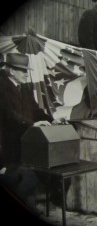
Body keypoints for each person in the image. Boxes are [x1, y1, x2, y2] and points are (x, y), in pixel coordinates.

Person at [0, 53, 62, 214]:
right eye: (23, 70)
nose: (27, 74)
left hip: (28, 142)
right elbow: (9, 115)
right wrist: (33, 124)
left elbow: (36, 110)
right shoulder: (1, 86)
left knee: (29, 177)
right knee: (15, 177)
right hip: (9, 143)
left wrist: (51, 119)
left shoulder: (26, 88)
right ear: (11, 71)